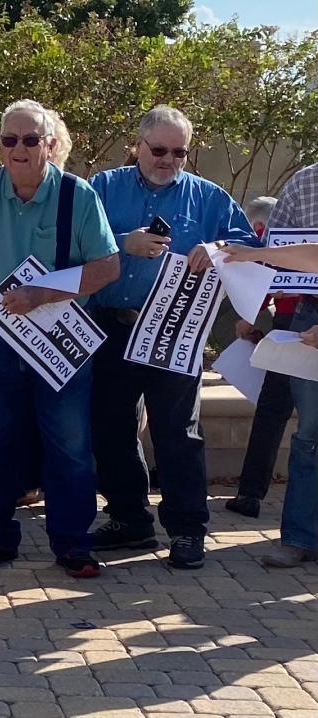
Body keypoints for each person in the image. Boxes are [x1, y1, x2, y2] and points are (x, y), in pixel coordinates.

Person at [0, 99, 120, 577]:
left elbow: (108, 267)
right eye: (9, 139)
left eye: (30, 139)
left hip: (59, 339)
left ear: (50, 145)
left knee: (70, 443)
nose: (18, 148)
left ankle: (73, 544)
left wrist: (43, 292)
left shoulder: (78, 196)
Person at [88, 105, 257, 569]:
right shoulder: (102, 187)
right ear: (138, 145)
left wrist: (219, 248)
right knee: (111, 429)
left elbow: (251, 249)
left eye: (178, 152)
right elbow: (72, 241)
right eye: (158, 150)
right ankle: (129, 520)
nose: (167, 160)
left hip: (175, 328)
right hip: (112, 325)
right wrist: (123, 242)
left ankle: (187, 530)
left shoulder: (209, 198)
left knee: (178, 433)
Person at [220, 164, 318, 566]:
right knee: (309, 433)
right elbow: (301, 255)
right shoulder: (305, 182)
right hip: (306, 315)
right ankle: (299, 537)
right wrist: (251, 256)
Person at [225, 196, 291, 519]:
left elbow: (267, 272)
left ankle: (250, 493)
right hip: (293, 323)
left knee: (272, 412)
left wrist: (251, 315)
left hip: (291, 324)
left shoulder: (276, 238)